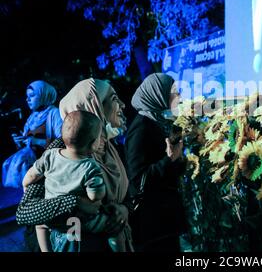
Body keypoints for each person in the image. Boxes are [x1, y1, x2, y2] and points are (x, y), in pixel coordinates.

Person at [16, 78, 132, 252]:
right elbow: (25, 211)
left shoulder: (108, 146)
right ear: (94, 105)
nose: (122, 104)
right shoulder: (63, 150)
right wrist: (76, 202)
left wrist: (124, 209)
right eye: (114, 99)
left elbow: (126, 194)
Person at [125, 73, 187, 252]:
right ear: (158, 94)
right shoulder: (141, 128)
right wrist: (168, 160)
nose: (179, 97)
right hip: (152, 223)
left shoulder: (157, 122)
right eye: (174, 93)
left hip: (164, 220)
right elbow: (137, 179)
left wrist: (177, 160)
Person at [2, 81, 63, 188]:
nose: (27, 99)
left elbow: (63, 141)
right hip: (32, 166)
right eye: (27, 96)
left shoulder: (54, 113)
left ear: (43, 95)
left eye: (32, 96)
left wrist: (37, 141)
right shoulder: (32, 118)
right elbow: (27, 144)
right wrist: (19, 142)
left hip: (49, 166)